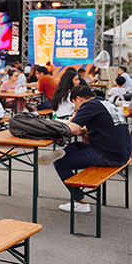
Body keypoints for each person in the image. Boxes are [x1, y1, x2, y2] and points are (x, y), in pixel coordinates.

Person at [42, 85, 131, 213]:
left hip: (109, 156)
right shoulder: (105, 102)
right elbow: (99, 130)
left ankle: (81, 202)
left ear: (78, 99)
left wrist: (70, 123)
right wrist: (82, 131)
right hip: (121, 151)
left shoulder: (89, 106)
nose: (76, 108)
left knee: (61, 164)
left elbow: (72, 129)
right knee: (76, 146)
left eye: (74, 105)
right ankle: (61, 153)